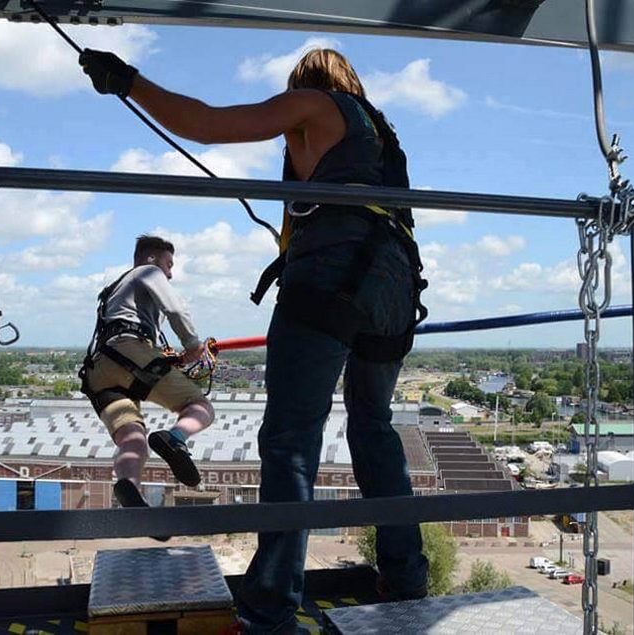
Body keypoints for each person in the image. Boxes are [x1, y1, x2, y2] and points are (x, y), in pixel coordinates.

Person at [81, 48, 429, 633]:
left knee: (291, 439)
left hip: (331, 279)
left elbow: (207, 123)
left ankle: (270, 608)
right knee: (373, 426)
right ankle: (405, 578)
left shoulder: (316, 105)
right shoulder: (379, 132)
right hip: (393, 286)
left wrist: (130, 83)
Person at [80, 234, 215, 510]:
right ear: (152, 259)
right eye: (169, 264)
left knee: (133, 440)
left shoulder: (114, 290)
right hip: (130, 351)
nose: (170, 273)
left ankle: (128, 484)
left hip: (100, 370)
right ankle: (175, 439)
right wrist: (192, 345)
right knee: (199, 406)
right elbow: (175, 308)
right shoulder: (149, 271)